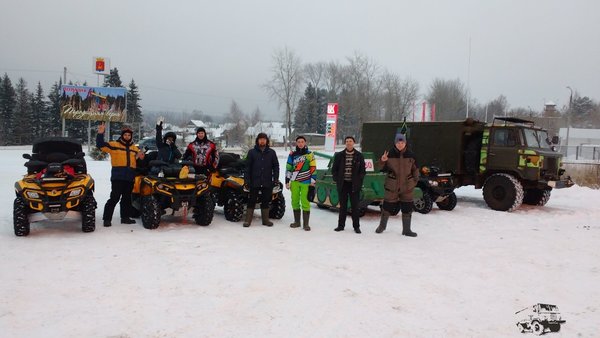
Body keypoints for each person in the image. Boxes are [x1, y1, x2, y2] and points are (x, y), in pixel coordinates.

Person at [96, 122, 144, 227]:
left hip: (130, 177)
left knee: (127, 199)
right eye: (125, 135)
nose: (127, 137)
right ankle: (107, 219)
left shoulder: (134, 148)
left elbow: (140, 159)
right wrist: (100, 133)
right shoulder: (114, 145)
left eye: (129, 135)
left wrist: (141, 156)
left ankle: (125, 218)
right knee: (114, 198)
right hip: (118, 177)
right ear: (122, 135)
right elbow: (100, 145)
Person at [375, 132, 419, 237]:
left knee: (407, 207)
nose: (400, 144)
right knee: (387, 206)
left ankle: (407, 230)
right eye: (398, 142)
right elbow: (378, 168)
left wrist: (414, 182)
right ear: (395, 143)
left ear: (405, 143)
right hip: (392, 185)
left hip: (407, 186)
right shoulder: (388, 154)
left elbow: (416, 170)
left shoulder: (411, 155)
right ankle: (382, 226)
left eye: (402, 142)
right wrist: (382, 160)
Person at [243, 132, 280, 227]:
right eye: (260, 139)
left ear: (267, 141)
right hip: (254, 181)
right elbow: (247, 167)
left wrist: (276, 178)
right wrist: (247, 180)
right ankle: (248, 220)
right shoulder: (252, 152)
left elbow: (276, 166)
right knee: (251, 200)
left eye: (264, 139)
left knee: (266, 200)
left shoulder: (271, 152)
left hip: (267, 181)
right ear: (257, 141)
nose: (262, 140)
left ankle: (265, 220)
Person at [332, 136, 366, 233]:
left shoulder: (359, 155)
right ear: (345, 143)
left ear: (354, 143)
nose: (348, 143)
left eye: (350, 141)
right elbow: (334, 169)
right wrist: (337, 179)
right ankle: (341, 226)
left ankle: (356, 227)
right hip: (343, 184)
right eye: (347, 141)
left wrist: (359, 181)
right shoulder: (339, 155)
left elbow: (362, 171)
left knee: (355, 207)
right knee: (343, 206)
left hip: (354, 185)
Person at [285, 135, 316, 231]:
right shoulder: (292, 154)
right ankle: (297, 222)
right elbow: (289, 167)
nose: (300, 143)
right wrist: (287, 180)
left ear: (305, 143)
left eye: (302, 142)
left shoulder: (310, 154)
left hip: (306, 182)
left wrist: (313, 181)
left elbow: (313, 169)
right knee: (294, 201)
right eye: (298, 142)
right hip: (294, 182)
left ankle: (306, 224)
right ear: (296, 143)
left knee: (305, 201)